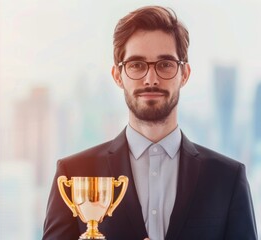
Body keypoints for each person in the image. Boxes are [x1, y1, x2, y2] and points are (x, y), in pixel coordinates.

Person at [42, 5, 258, 240]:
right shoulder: (73, 174)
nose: (151, 79)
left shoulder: (227, 178)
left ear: (184, 74)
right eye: (136, 65)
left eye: (165, 64)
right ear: (117, 76)